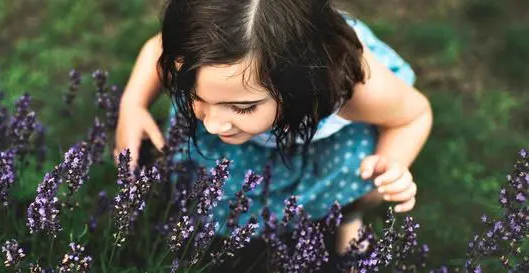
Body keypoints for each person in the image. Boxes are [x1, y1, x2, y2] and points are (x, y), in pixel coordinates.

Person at [114, 0, 432, 256]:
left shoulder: (358, 89)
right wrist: (133, 104)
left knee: (361, 177)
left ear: (299, 85)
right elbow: (157, 50)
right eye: (195, 96)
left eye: (242, 106)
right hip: (257, 139)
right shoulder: (203, 54)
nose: (210, 124)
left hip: (328, 143)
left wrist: (392, 161)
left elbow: (414, 115)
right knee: (210, 182)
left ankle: (349, 216)